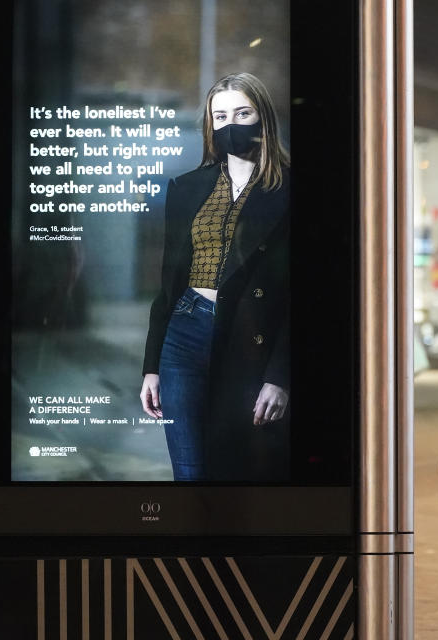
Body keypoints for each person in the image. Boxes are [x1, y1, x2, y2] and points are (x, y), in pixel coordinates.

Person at [140, 72, 290, 481]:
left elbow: (305, 297)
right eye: (219, 116)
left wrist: (280, 377)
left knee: (239, 472)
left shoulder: (289, 189)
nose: (230, 125)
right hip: (184, 332)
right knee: (190, 474)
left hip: (248, 337)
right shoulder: (187, 188)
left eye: (242, 113)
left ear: (263, 119)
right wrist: (151, 366)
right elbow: (169, 282)